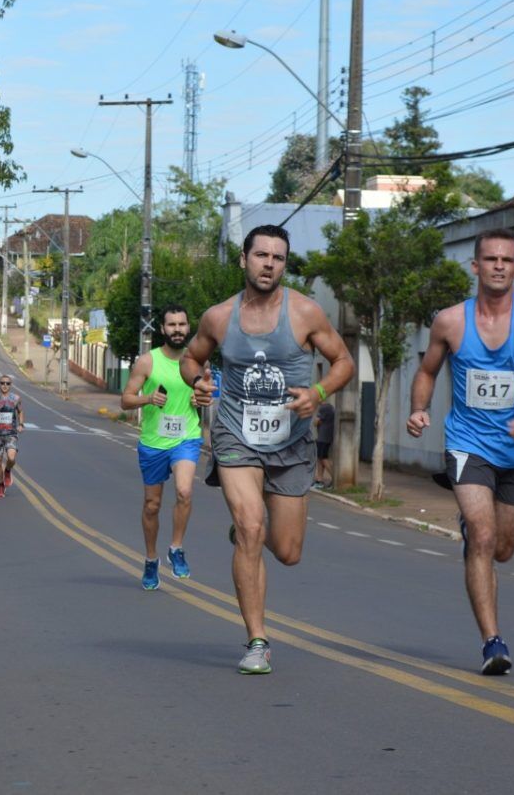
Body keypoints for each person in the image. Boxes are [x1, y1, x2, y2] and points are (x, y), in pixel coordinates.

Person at [406, 227, 514, 676]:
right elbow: (427, 370)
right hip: (467, 445)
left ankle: (476, 537)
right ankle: (492, 642)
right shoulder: (450, 321)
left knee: (501, 549)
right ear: (476, 266)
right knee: (483, 537)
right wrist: (418, 409)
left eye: (507, 260)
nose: (499, 266)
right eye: (490, 259)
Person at [182, 224, 354, 675]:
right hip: (236, 435)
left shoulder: (306, 313)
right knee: (252, 524)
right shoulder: (219, 317)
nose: (269, 264)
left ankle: (246, 536)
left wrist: (318, 392)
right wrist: (198, 382)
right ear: (244, 259)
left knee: (288, 550)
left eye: (278, 258)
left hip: (293, 441)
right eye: (261, 256)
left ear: (284, 264)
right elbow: (191, 358)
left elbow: (344, 362)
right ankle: (257, 640)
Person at [121, 304, 203, 590]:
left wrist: (201, 401)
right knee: (152, 505)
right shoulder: (147, 362)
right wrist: (147, 399)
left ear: (188, 327)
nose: (177, 330)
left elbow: (207, 396)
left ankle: (176, 548)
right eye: (172, 325)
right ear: (162, 329)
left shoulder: (197, 362)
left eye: (182, 325)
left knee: (184, 490)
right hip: (153, 442)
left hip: (186, 438)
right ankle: (151, 559)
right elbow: (126, 399)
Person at [0, 375, 24, 498]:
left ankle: (7, 471)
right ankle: (1, 485)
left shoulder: (16, 398)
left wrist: (21, 424)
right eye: (2, 383)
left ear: (10, 385)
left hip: (11, 433)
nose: (5, 385)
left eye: (7, 383)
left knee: (11, 458)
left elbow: (20, 411)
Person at [313, 400, 335, 489]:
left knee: (323, 458)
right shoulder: (331, 407)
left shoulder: (324, 408)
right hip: (326, 436)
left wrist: (315, 421)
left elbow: (316, 422)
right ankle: (319, 480)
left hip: (323, 437)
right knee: (319, 458)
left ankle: (335, 477)